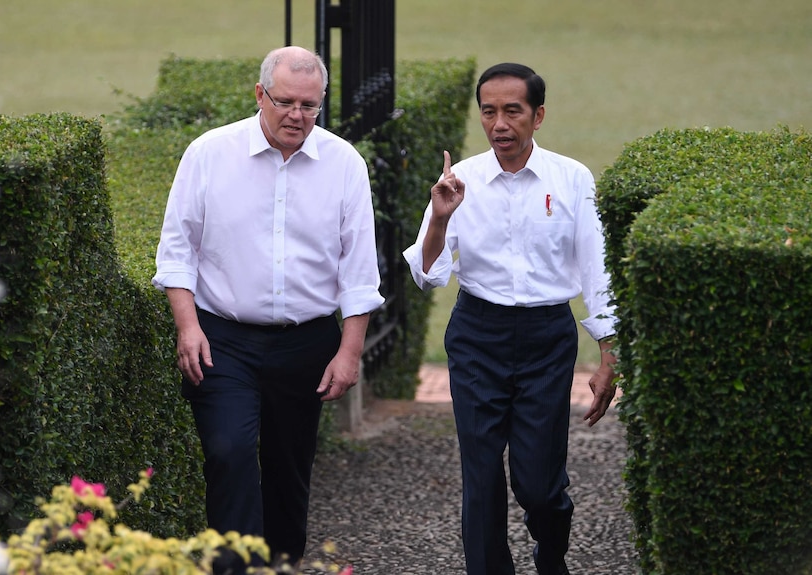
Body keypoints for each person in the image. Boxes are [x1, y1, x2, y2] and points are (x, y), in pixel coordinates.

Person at [152, 45, 384, 568]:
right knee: (228, 453)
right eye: (285, 103)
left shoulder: (344, 163)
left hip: (307, 342)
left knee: (289, 469)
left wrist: (348, 354)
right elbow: (177, 249)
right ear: (260, 94)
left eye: (310, 105)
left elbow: (359, 273)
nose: (297, 116)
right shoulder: (210, 153)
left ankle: (279, 565)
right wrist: (187, 327)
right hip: (223, 340)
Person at [403, 63, 618, 575]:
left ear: (537, 116)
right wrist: (439, 217)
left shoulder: (572, 178)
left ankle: (551, 553)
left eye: (512, 111)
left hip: (548, 337)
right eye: (489, 111)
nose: (499, 124)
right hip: (478, 334)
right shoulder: (459, 182)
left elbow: (596, 266)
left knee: (540, 485)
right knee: (480, 473)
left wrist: (610, 351)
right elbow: (427, 274)